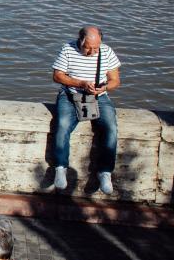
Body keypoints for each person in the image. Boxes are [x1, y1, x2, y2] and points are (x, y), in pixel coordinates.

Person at [50, 25, 122, 195]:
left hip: (99, 97)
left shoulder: (107, 52)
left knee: (110, 127)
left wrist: (103, 88)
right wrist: (81, 83)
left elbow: (115, 80)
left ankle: (105, 172)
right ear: (79, 40)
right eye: (87, 48)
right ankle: (60, 168)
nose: (91, 52)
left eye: (95, 48)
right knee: (62, 125)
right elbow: (57, 76)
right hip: (70, 95)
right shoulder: (68, 49)